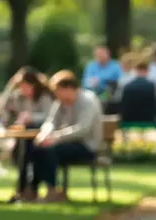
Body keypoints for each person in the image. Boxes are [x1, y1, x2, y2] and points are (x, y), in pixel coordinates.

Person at [32, 71, 104, 202]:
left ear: (69, 88)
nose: (56, 95)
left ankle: (53, 191)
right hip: (67, 142)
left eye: (58, 91)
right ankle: (33, 189)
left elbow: (83, 129)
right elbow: (50, 121)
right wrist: (44, 134)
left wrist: (56, 137)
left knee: (51, 150)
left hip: (87, 145)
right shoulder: (60, 102)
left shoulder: (88, 101)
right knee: (38, 147)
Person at [0, 66, 53, 201]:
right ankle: (24, 188)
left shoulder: (44, 96)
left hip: (42, 136)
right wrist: (10, 87)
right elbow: (4, 109)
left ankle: (26, 188)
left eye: (26, 87)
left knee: (30, 151)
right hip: (24, 137)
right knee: (21, 150)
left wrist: (31, 117)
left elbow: (50, 116)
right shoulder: (18, 97)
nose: (23, 90)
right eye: (20, 87)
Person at [118, 61, 156, 128]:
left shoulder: (127, 87)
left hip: (128, 123)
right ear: (147, 72)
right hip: (149, 123)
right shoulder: (152, 87)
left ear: (136, 71)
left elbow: (123, 106)